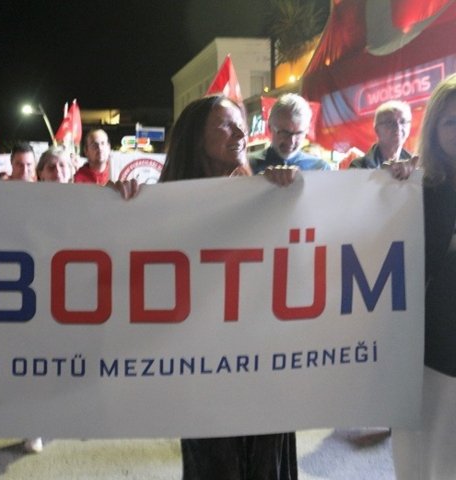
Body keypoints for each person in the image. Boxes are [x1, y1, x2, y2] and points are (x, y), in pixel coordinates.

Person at [160, 94, 297, 480]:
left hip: (264, 362)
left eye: (241, 124)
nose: (240, 133)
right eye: (225, 125)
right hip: (201, 371)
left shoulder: (268, 191)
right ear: (194, 137)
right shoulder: (161, 207)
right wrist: (121, 205)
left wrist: (395, 180)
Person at [391, 73, 456, 480]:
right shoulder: (416, 188)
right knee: (424, 461)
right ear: (433, 129)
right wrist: (388, 187)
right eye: (452, 122)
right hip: (427, 356)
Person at [249, 93, 330, 174]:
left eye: (298, 133)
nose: (291, 141)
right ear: (269, 127)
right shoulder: (248, 166)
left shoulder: (320, 168)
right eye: (285, 133)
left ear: (307, 131)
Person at [350, 100, 413, 169]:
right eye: (390, 122)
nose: (398, 127)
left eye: (403, 121)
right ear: (377, 130)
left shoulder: (415, 165)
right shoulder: (359, 167)